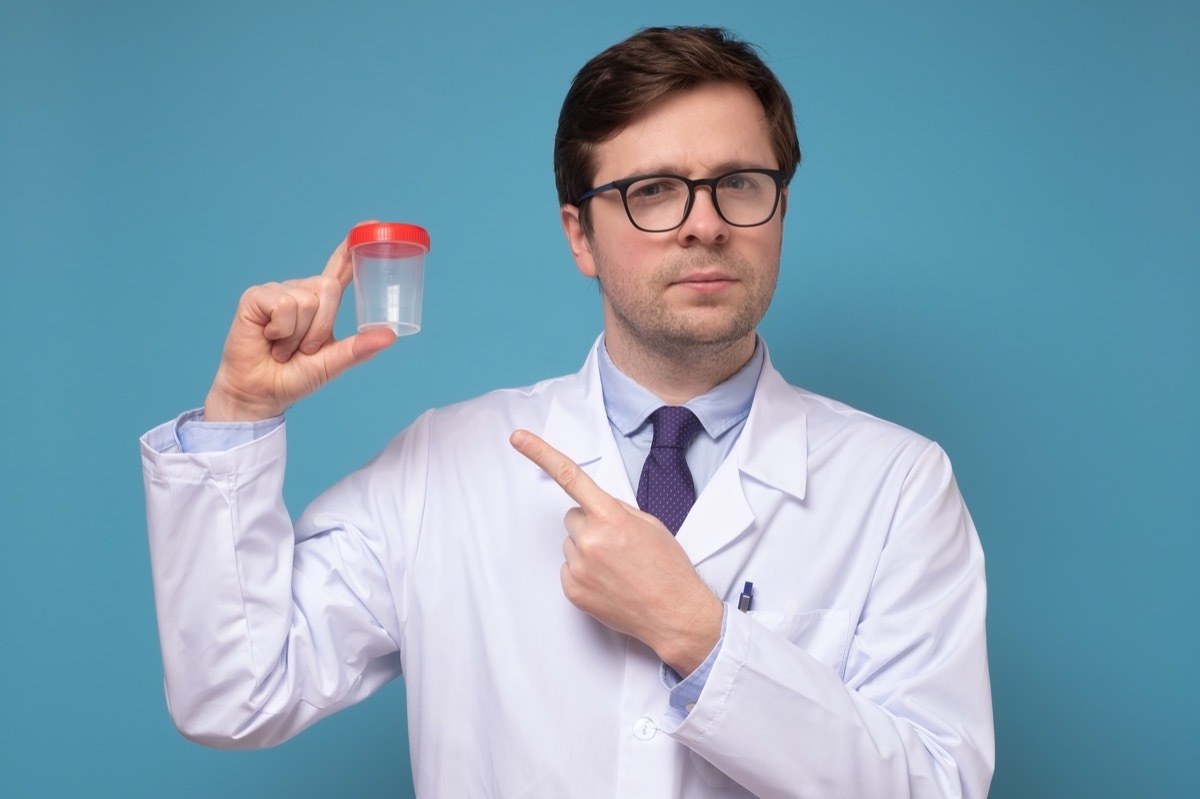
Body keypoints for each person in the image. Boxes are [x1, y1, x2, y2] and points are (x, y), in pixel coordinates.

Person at [141, 26, 994, 798]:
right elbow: (236, 692)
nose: (705, 225)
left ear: (778, 209)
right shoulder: (444, 466)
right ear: (579, 234)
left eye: (739, 183)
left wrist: (700, 635)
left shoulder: (897, 485)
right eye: (653, 191)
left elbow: (938, 785)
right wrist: (241, 416)